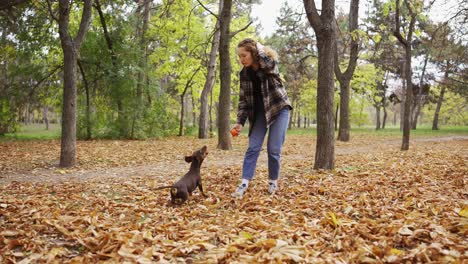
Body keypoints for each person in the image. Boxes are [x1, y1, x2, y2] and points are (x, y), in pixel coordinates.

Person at [231, 38, 292, 198]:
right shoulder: (244, 74)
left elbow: (269, 64)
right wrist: (239, 122)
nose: (241, 59)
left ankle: (273, 182)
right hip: (260, 113)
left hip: (278, 108)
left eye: (244, 55)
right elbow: (243, 100)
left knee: (273, 149)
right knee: (253, 147)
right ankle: (244, 183)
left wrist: (260, 50)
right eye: (239, 57)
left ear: (253, 53)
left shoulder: (268, 65)